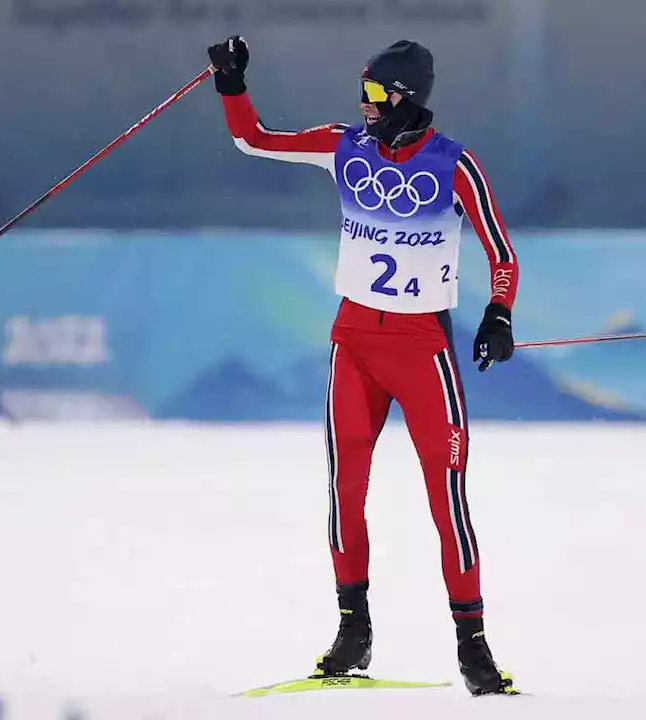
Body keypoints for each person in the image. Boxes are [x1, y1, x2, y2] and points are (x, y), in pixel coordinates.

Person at [207, 35, 519, 696]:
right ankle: (354, 631)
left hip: (422, 353)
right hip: (354, 346)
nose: (364, 105)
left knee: (448, 502)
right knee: (344, 492)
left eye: (376, 94)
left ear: (405, 98)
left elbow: (501, 251)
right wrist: (232, 84)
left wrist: (498, 315)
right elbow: (254, 140)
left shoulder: (454, 165)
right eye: (364, 93)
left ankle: (473, 644)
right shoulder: (344, 145)